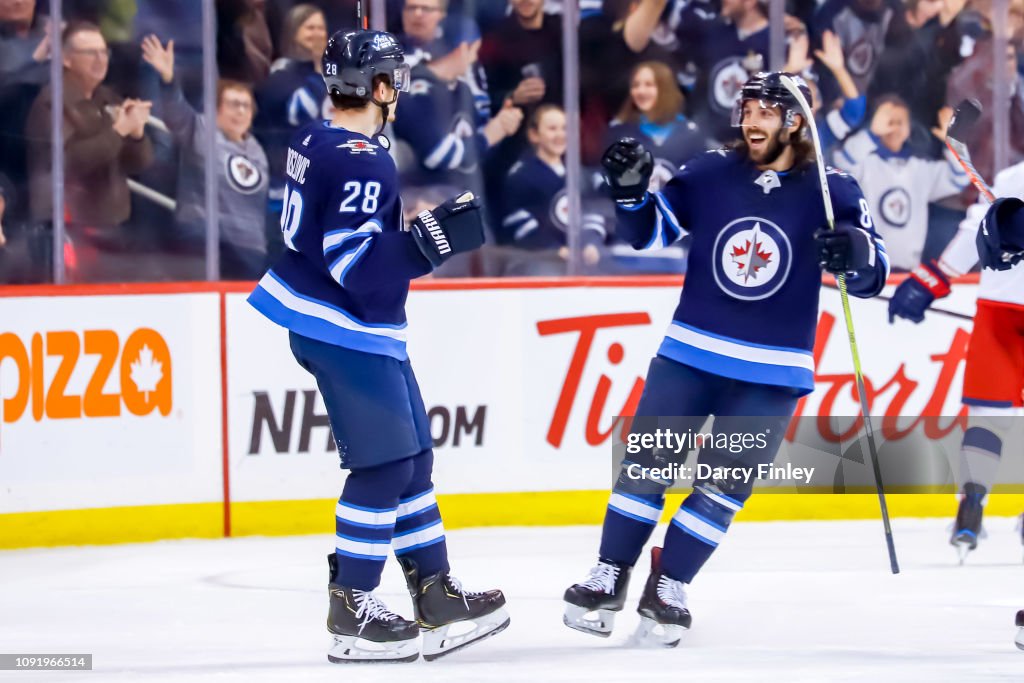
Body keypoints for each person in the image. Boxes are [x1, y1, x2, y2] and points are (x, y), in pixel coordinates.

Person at [562, 72, 889, 645]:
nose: (752, 121)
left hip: (772, 372)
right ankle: (610, 573)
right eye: (748, 109)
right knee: (645, 472)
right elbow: (648, 233)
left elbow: (871, 277)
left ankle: (670, 584)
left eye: (767, 111)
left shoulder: (834, 190)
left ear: (796, 120)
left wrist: (856, 253)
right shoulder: (710, 171)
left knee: (721, 489)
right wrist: (629, 194)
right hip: (690, 355)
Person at [246, 29, 509, 663]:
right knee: (385, 466)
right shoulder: (364, 158)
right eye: (394, 77)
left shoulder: (315, 136)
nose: (401, 88)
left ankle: (437, 596)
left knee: (413, 457)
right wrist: (431, 239)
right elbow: (357, 265)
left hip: (345, 323)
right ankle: (353, 608)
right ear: (382, 87)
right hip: (344, 326)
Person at [888, 161, 1024, 562]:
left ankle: (973, 500)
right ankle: (975, 502)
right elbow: (980, 228)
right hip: (999, 309)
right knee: (987, 412)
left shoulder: (1013, 176)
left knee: (987, 415)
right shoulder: (1013, 177)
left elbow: (973, 231)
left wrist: (931, 280)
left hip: (999, 309)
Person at [25, 21, 154, 282]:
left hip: (112, 226)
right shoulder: (51, 103)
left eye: (104, 52)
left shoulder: (109, 98)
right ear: (67, 59)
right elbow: (68, 161)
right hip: (70, 229)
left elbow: (139, 163)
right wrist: (118, 131)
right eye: (90, 53)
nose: (100, 59)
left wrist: (137, 134)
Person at [141, 35, 270, 279]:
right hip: (203, 241)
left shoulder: (256, 150)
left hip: (248, 249)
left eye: (246, 106)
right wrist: (168, 80)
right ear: (216, 108)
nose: (241, 111)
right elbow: (176, 114)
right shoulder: (200, 129)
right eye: (233, 104)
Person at [834, 95, 965, 270]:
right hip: (869, 269)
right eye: (889, 121)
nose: (894, 127)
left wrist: (954, 143)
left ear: (909, 127)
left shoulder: (921, 169)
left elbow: (960, 178)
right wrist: (871, 134)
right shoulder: (863, 163)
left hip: (908, 270)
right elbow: (843, 161)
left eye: (900, 121)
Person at [500, 104, 605, 272]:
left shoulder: (579, 175)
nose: (560, 135)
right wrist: (553, 249)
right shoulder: (521, 176)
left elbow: (592, 213)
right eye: (552, 129)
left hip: (578, 262)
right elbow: (517, 222)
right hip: (536, 262)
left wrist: (591, 243)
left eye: (565, 128)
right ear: (534, 135)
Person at [608, 61, 706, 190]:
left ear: (665, 89)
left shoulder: (690, 134)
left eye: (649, 85)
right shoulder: (619, 134)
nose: (641, 91)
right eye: (636, 85)